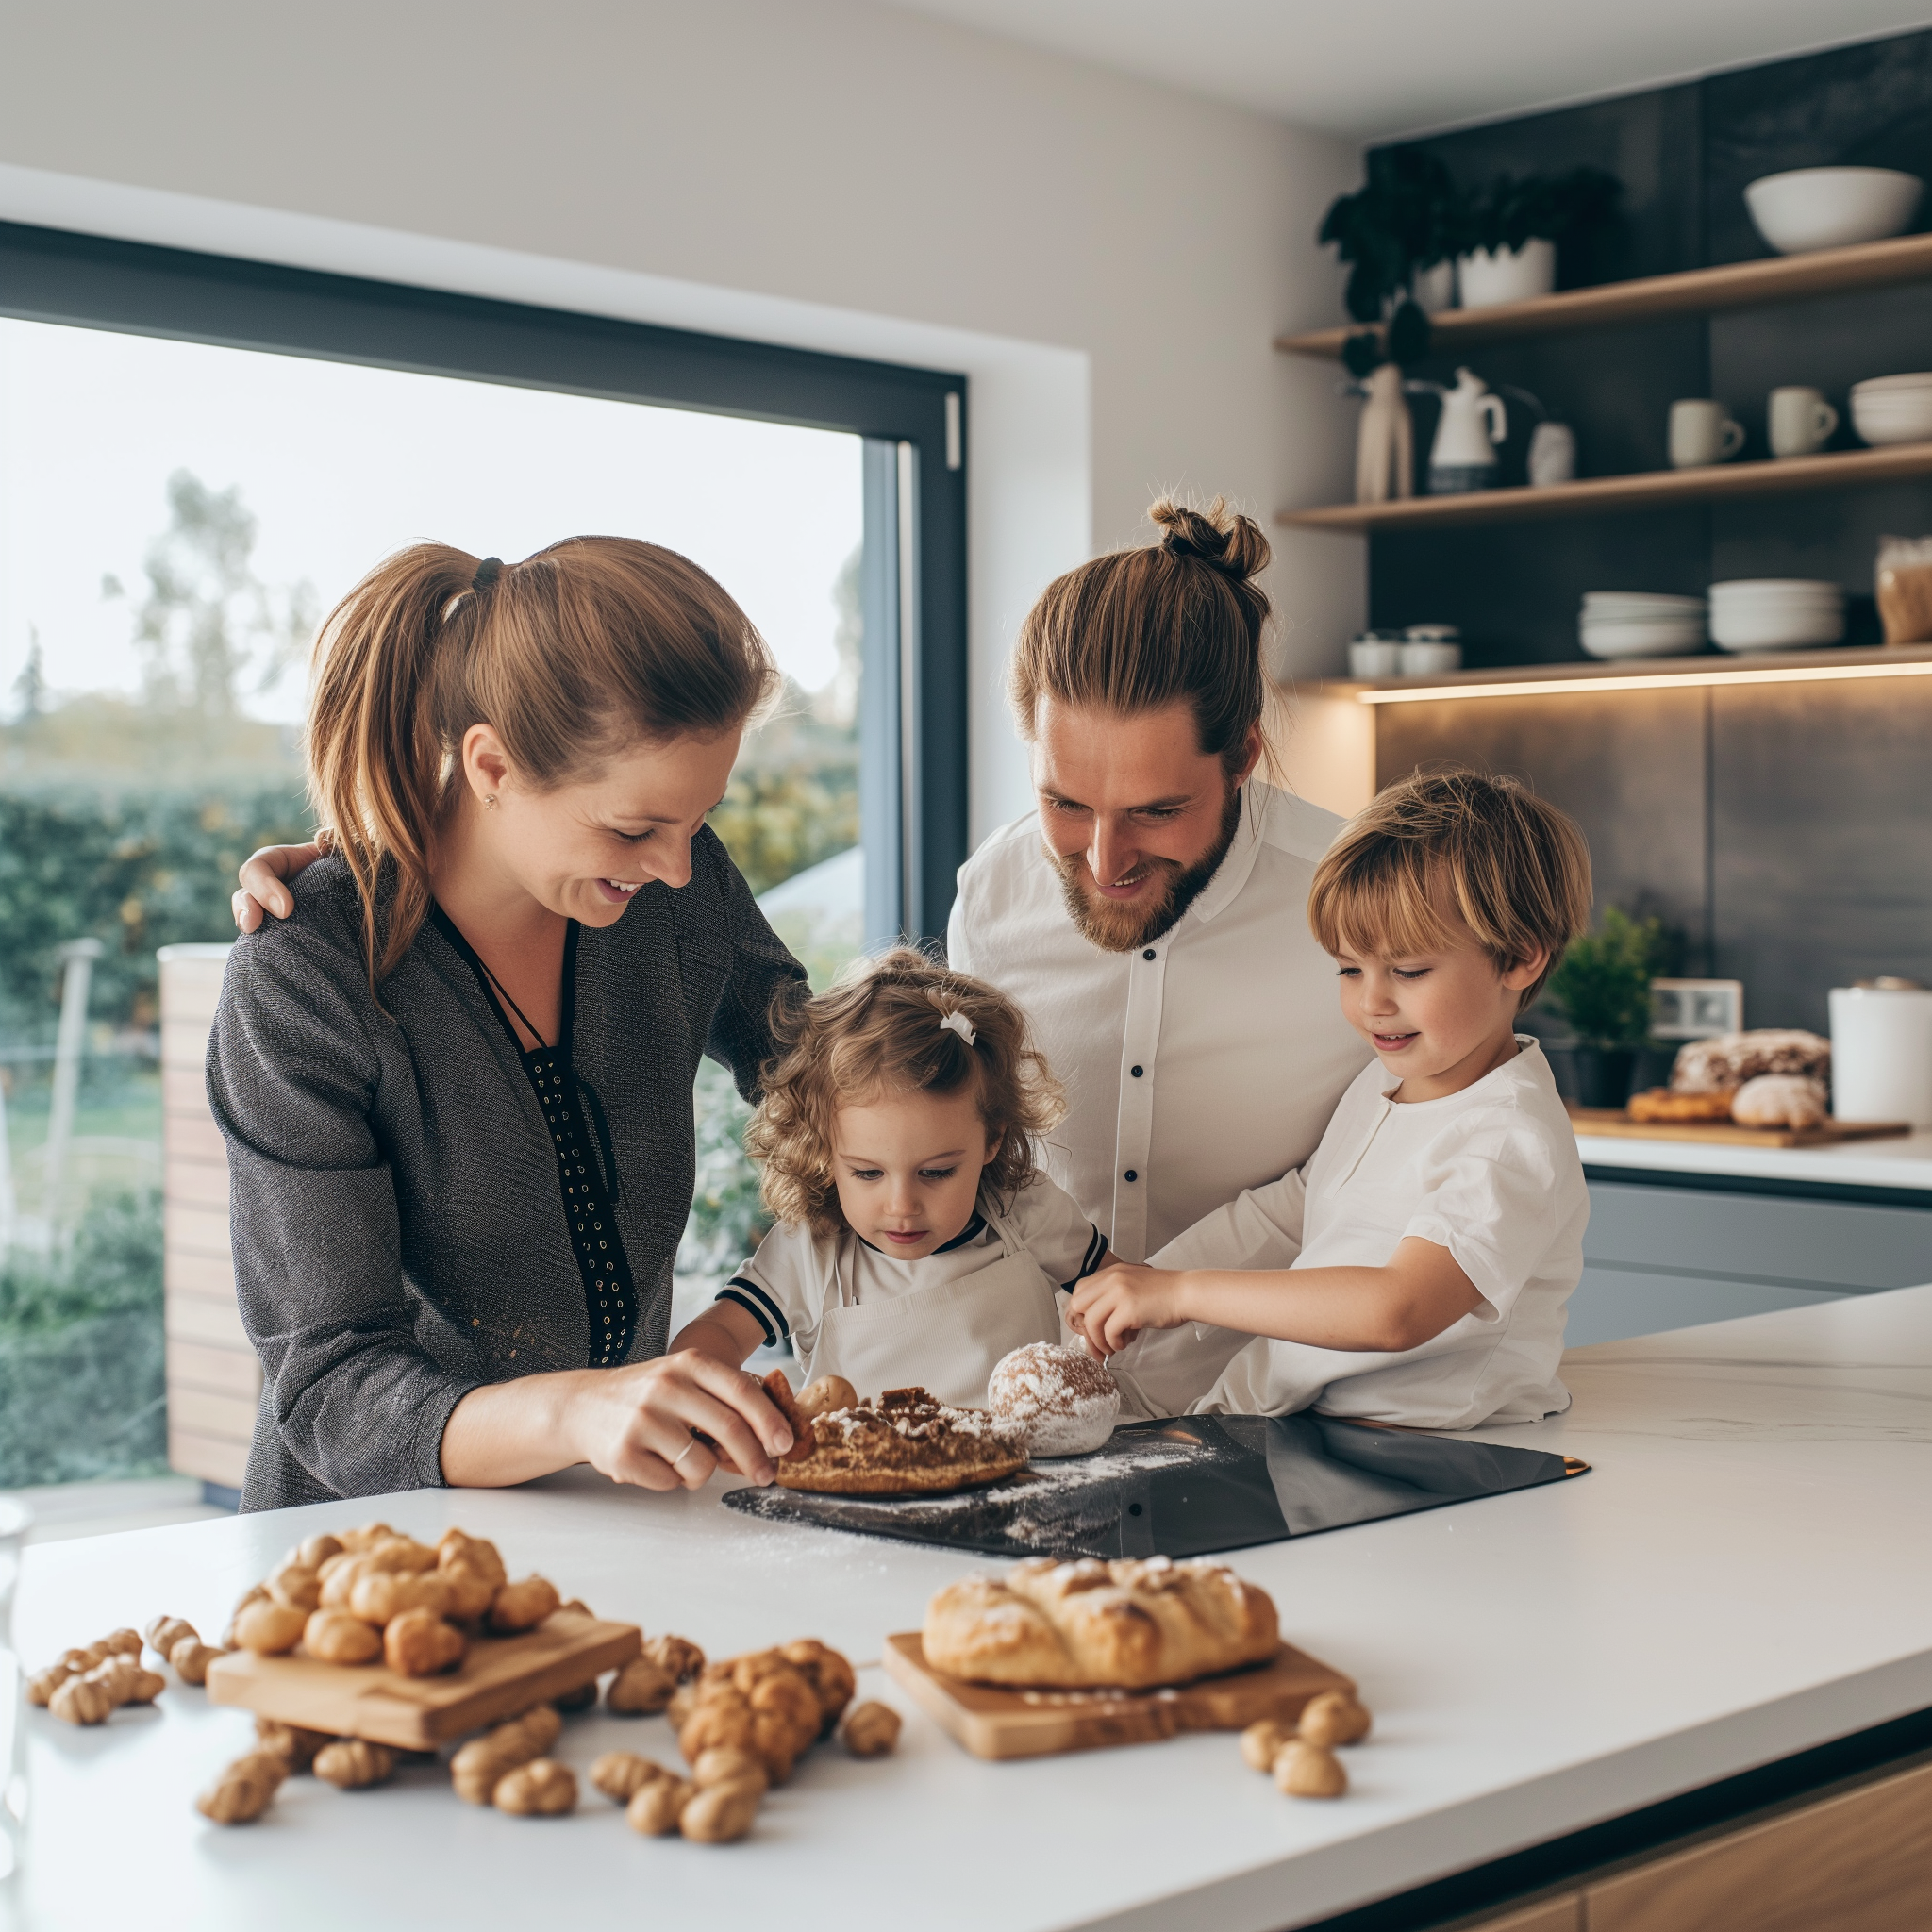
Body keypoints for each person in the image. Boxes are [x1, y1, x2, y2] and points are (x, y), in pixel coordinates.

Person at [208, 538, 807, 1509]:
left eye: (696, 820)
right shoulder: (306, 973)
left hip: (615, 1521)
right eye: (632, 827)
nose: (678, 867)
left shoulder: (669, 892)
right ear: (491, 762)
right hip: (368, 1565)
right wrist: (578, 1412)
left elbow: (827, 1082)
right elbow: (330, 1388)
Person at [945, 496, 1370, 1406]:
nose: (1105, 861)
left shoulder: (1362, 902)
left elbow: (1400, 1172)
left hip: (1288, 1410)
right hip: (1041, 1412)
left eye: (1156, 811)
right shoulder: (991, 896)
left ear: (1245, 754)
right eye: (1065, 804)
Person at [1069, 770, 1592, 1430]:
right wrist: (1143, 1277)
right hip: (1318, 1430)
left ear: (1519, 959)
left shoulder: (1509, 1138)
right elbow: (1295, 1211)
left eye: (1408, 971)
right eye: (1349, 968)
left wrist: (1182, 1294)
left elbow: (1396, 1309)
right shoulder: (1383, 1085)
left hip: (1432, 1457)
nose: (1371, 1002)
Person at [668, 950, 1108, 1406]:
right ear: (825, 1148)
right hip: (858, 1475)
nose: (901, 1205)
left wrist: (1109, 1313)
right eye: (867, 1172)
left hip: (1031, 1473)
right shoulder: (811, 1251)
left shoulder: (1025, 1212)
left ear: (992, 1139)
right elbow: (717, 1332)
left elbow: (1125, 1290)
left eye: (936, 1172)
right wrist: (711, 1387)